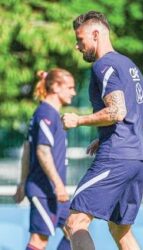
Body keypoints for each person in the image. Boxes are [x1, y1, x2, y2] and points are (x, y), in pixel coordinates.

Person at [61, 11, 143, 250]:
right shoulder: (130, 65)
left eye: (80, 39)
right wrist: (108, 134)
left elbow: (116, 111)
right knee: (120, 230)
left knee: (75, 222)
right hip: (138, 158)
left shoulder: (103, 65)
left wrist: (79, 120)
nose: (77, 46)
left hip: (116, 157)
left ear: (96, 34)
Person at [13, 68, 76, 250]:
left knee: (75, 229)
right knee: (38, 242)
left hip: (51, 191)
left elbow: (27, 149)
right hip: (45, 190)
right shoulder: (46, 113)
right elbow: (41, 151)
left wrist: (22, 183)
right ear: (55, 87)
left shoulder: (47, 113)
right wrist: (58, 184)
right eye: (70, 87)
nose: (73, 92)